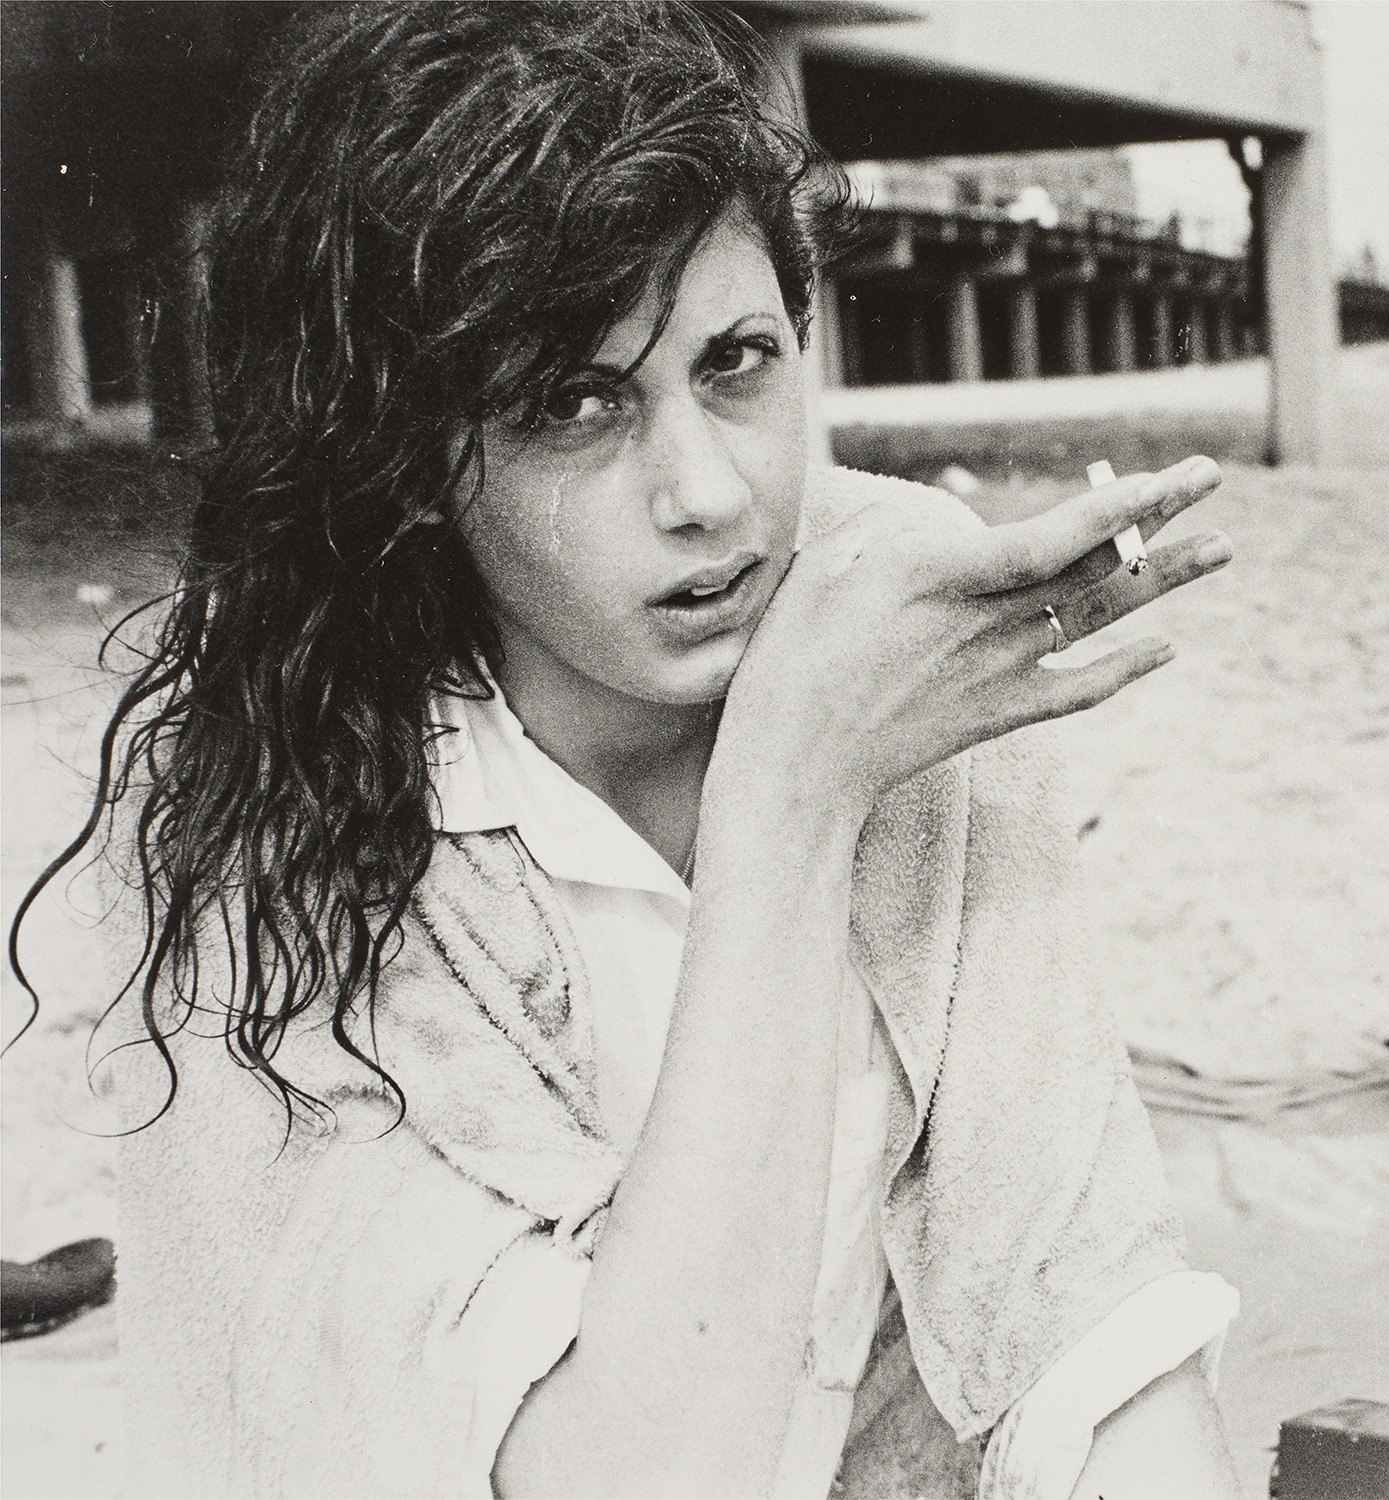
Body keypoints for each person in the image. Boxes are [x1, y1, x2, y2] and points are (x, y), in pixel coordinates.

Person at [10, 5, 1244, 1496]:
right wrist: (793, 796)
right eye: (575, 403)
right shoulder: (265, 820)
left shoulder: (894, 603)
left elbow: (1075, 1301)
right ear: (406, 464)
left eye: (737, 363)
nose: (709, 492)